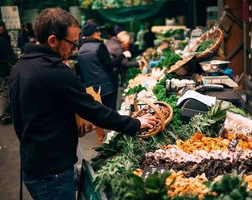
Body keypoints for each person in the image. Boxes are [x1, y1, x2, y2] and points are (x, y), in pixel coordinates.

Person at [8, 8, 156, 200]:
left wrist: (65, 127)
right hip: (52, 172)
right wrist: (135, 124)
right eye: (72, 42)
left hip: (33, 165)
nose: (75, 48)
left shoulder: (20, 67)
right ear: (53, 40)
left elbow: (30, 116)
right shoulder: (54, 71)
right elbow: (94, 110)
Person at [77, 22, 130, 110]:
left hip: (92, 90)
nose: (100, 33)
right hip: (107, 88)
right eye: (98, 31)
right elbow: (109, 65)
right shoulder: (99, 46)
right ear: (93, 33)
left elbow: (81, 72)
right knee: (111, 112)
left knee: (100, 114)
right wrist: (122, 55)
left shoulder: (80, 49)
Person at [0, 18, 17, 124]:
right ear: (1, 27)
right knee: (3, 92)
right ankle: (4, 115)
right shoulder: (0, 40)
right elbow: (10, 57)